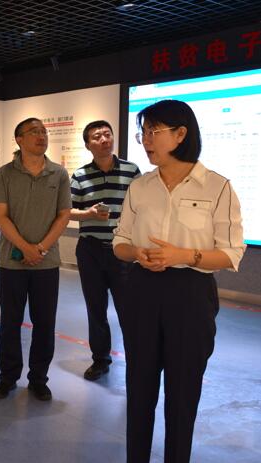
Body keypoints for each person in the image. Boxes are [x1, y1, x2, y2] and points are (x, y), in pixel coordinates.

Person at [113, 99, 245, 463]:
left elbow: (231, 253)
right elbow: (120, 242)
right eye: (142, 133)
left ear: (181, 134)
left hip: (191, 295)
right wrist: (137, 252)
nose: (145, 140)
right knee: (139, 387)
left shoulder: (217, 187)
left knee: (183, 393)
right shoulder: (140, 187)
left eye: (153, 132)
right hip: (142, 289)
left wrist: (183, 256)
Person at [0, 118, 71, 401]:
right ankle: (8, 377)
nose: (41, 136)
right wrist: (25, 247)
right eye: (34, 132)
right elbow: (0, 216)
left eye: (43, 131)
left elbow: (64, 214)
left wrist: (41, 248)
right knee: (10, 323)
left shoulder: (59, 174)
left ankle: (39, 378)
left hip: (46, 263)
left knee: (45, 323)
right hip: (11, 263)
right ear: (19, 139)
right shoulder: (4, 174)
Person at [70, 120, 140, 381]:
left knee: (129, 308)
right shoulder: (79, 175)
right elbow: (67, 211)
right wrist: (88, 213)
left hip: (122, 250)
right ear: (88, 145)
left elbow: (143, 206)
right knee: (96, 308)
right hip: (90, 250)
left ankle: (137, 359)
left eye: (107, 134)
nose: (104, 140)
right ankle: (100, 359)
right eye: (97, 136)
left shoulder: (131, 171)